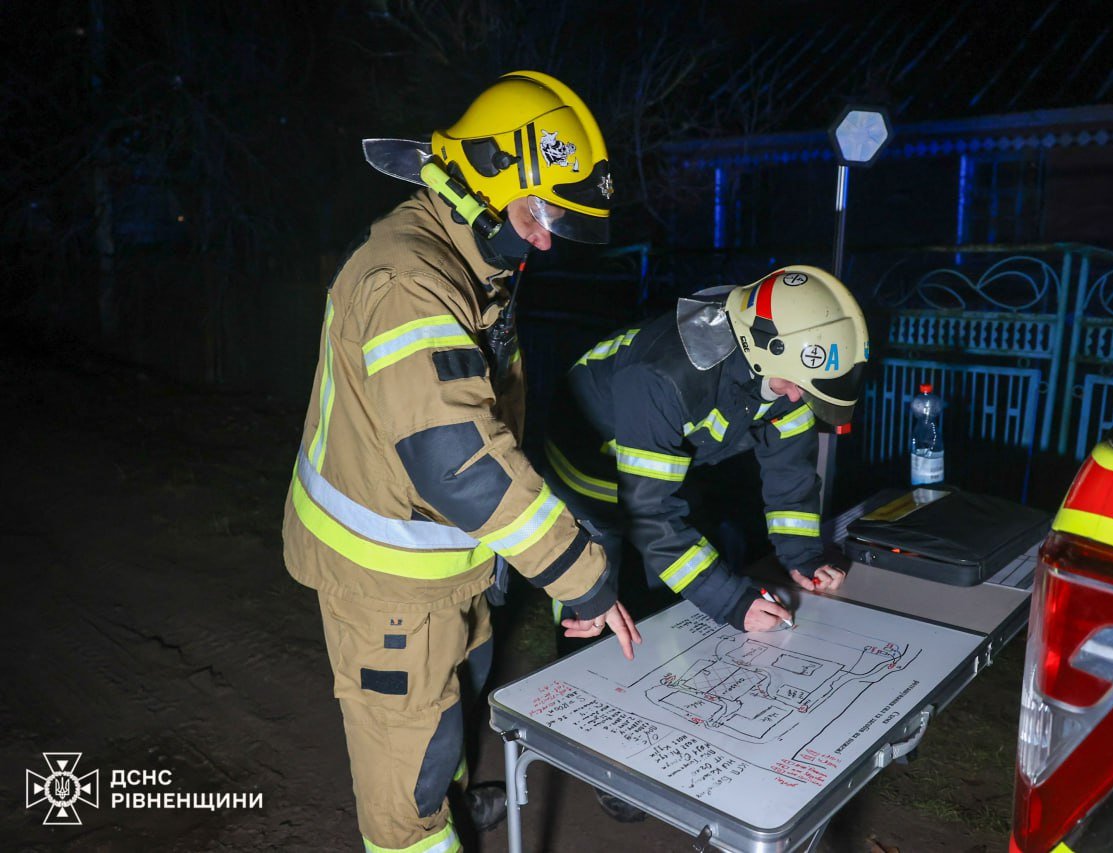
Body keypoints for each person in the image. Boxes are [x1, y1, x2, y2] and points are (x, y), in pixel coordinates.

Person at [282, 70, 640, 853]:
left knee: (447, 713)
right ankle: (425, 823)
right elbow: (459, 461)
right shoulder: (409, 281)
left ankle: (444, 784)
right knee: (404, 800)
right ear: (485, 178)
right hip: (387, 591)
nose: (545, 238)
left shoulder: (470, 257)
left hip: (448, 569)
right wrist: (580, 570)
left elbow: (490, 429)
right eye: (539, 212)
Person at [545, 264, 868, 633]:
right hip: (587, 459)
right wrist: (731, 601)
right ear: (764, 350)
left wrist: (805, 558)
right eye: (795, 385)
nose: (797, 398)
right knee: (593, 590)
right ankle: (576, 659)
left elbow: (790, 475)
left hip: (658, 460)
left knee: (668, 590)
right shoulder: (665, 377)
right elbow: (650, 515)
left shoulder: (784, 366)